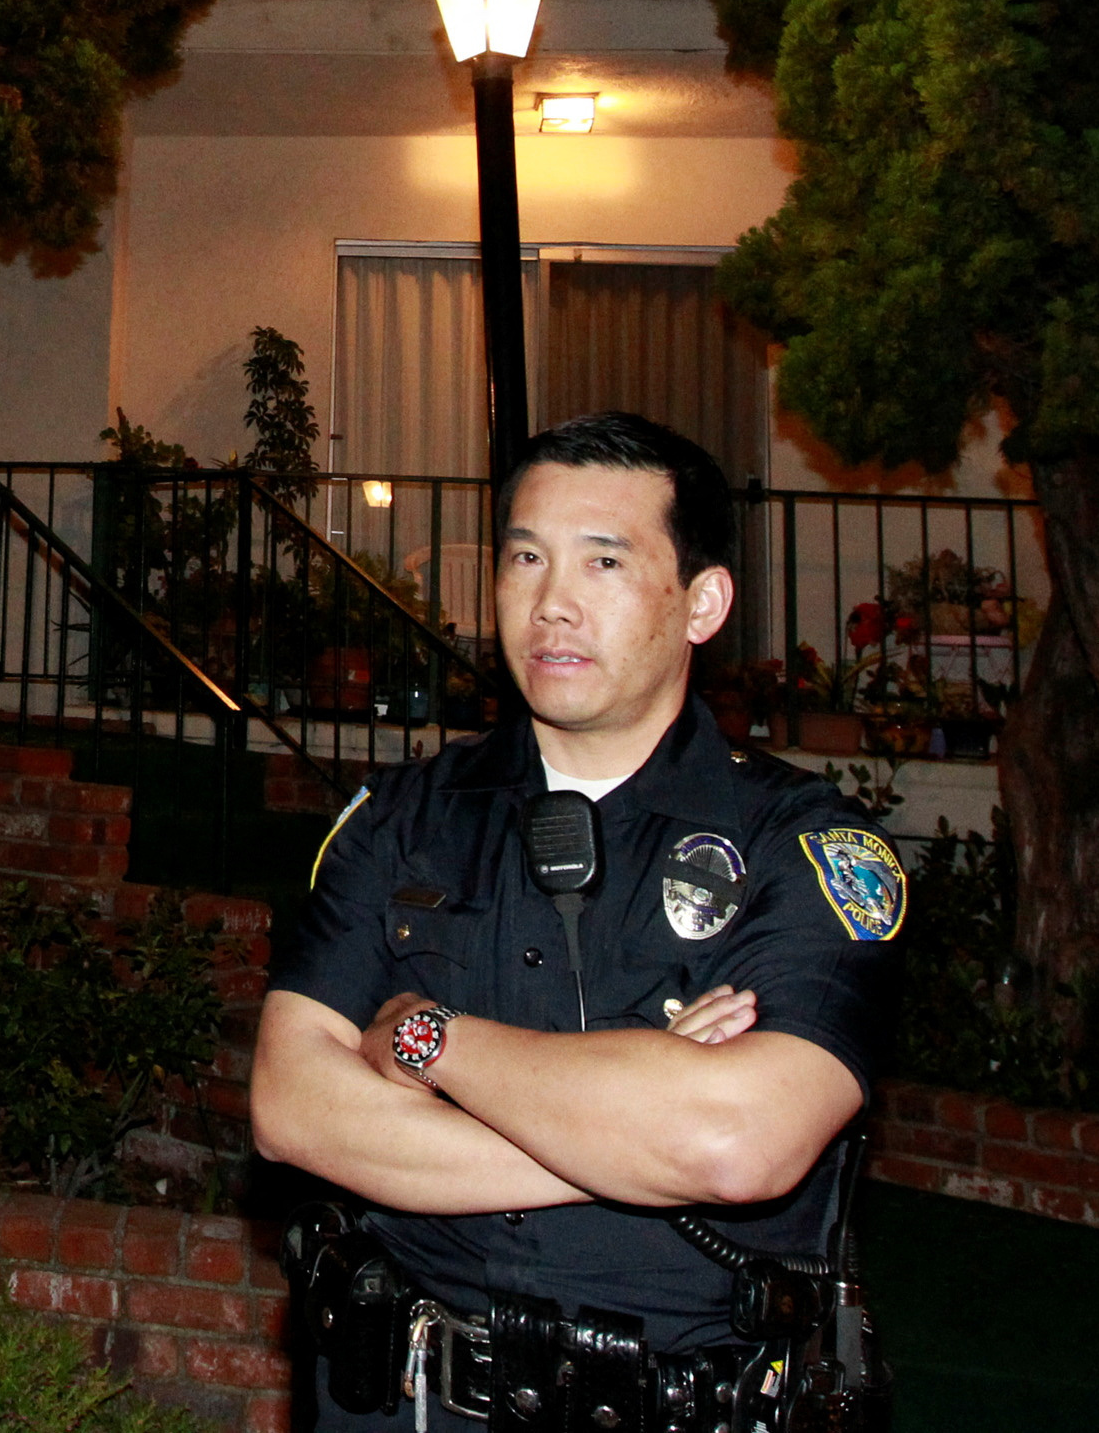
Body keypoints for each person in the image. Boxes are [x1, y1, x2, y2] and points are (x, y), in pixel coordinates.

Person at [250, 412, 908, 1429]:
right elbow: (292, 1105)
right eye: (525, 557)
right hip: (405, 1402)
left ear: (703, 601)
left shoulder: (807, 846)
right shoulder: (401, 820)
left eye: (604, 560)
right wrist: (632, 1123)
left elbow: (735, 1141)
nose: (551, 602)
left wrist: (428, 1040)